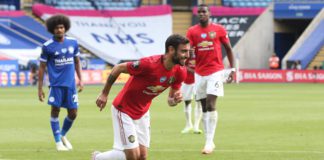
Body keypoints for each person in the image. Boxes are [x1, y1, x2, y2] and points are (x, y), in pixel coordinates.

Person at [93, 34, 190, 160]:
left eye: (188, 51)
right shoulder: (149, 64)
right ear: (171, 50)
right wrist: (104, 94)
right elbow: (118, 68)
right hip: (123, 110)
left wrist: (175, 100)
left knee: (142, 156)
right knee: (132, 156)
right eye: (183, 51)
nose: (187, 55)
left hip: (143, 112)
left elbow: (170, 101)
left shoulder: (180, 72)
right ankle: (97, 158)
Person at [186, 4, 235, 154]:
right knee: (203, 106)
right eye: (199, 12)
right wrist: (187, 63)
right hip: (199, 73)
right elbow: (188, 51)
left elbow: (228, 49)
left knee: (211, 103)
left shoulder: (219, 29)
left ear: (209, 13)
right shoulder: (192, 31)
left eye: (204, 12)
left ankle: (208, 142)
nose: (201, 14)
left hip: (215, 72)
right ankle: (209, 140)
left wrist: (232, 69)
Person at [38, 14, 83, 151]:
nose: (59, 30)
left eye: (62, 27)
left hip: (70, 85)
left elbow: (77, 62)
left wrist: (81, 79)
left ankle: (62, 134)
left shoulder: (73, 43)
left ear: (65, 28)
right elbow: (42, 68)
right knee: (55, 111)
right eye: (57, 28)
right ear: (52, 30)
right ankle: (58, 143)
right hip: (56, 85)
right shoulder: (47, 46)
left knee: (73, 113)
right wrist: (39, 89)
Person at [180, 49, 203, 134]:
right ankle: (188, 124)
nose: (193, 49)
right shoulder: (185, 55)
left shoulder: (201, 54)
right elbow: (182, 65)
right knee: (187, 102)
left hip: (199, 81)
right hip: (187, 81)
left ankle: (196, 126)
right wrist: (192, 70)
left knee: (199, 102)